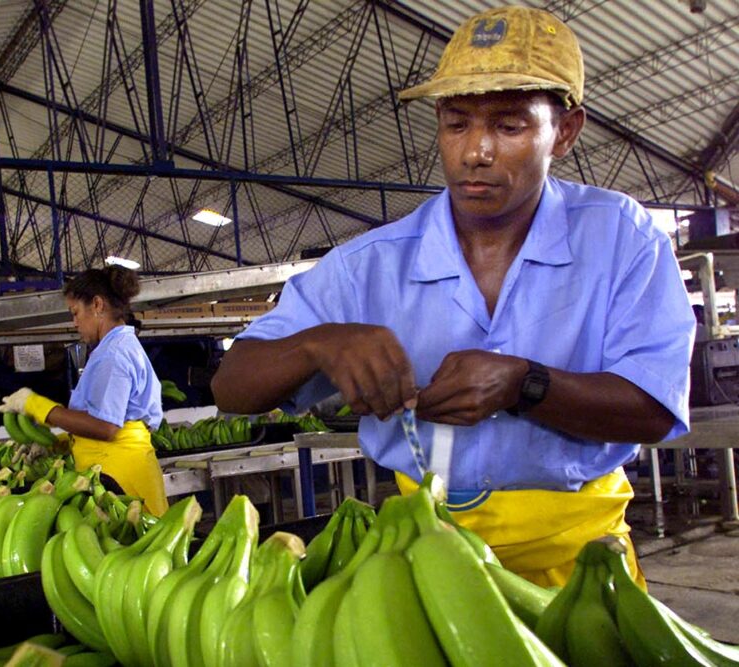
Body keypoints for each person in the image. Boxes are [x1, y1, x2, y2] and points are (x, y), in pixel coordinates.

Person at [211, 5, 695, 588]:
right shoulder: (370, 266)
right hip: (426, 562)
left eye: (510, 127)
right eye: (456, 123)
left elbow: (653, 406)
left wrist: (526, 384)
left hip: (579, 565)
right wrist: (317, 344)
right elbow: (231, 386)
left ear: (564, 131)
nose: (476, 152)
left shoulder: (621, 238)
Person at [0, 266, 168, 516]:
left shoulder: (113, 355)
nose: (74, 323)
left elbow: (106, 427)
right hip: (117, 467)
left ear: (97, 305)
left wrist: (36, 405)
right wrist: (58, 444)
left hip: (121, 478)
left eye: (75, 313)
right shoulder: (116, 348)